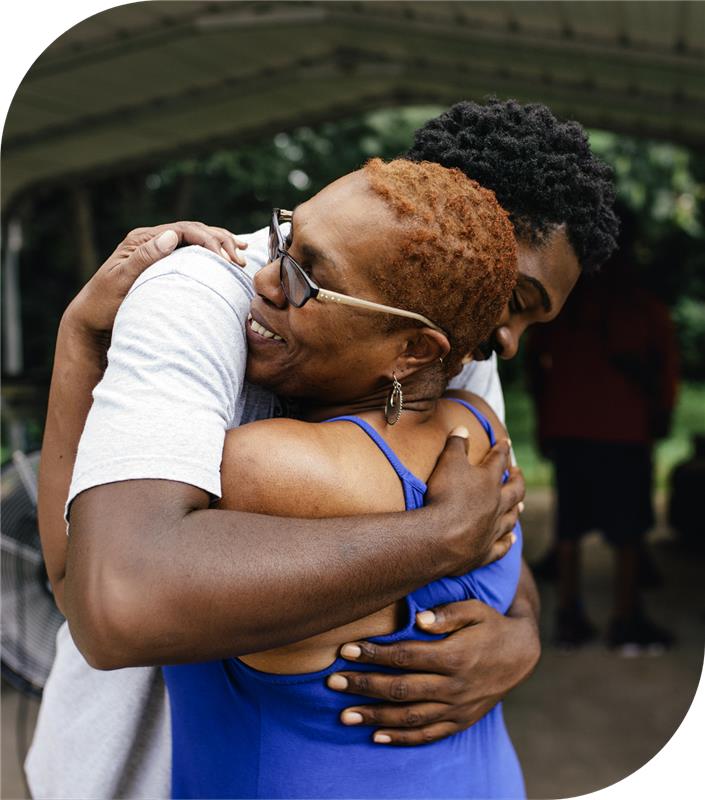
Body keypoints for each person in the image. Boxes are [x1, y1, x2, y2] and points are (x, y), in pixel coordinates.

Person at [29, 98, 618, 798]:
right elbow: (109, 600)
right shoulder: (204, 304)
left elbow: (500, 547)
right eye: (510, 296)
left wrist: (520, 636)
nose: (505, 334)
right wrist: (442, 535)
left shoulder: (452, 350)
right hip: (131, 769)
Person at [74, 157, 523, 798]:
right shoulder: (481, 433)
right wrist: (452, 544)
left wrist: (79, 339)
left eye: (309, 278)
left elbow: (90, 587)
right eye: (286, 239)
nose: (265, 277)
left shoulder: (269, 470)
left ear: (414, 351)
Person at [526, 208, 678, 651]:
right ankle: (625, 618)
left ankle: (569, 615)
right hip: (624, 432)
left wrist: (547, 419)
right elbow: (664, 366)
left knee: (568, 527)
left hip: (571, 428)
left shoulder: (568, 300)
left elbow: (538, 362)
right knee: (628, 532)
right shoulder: (642, 303)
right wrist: (660, 413)